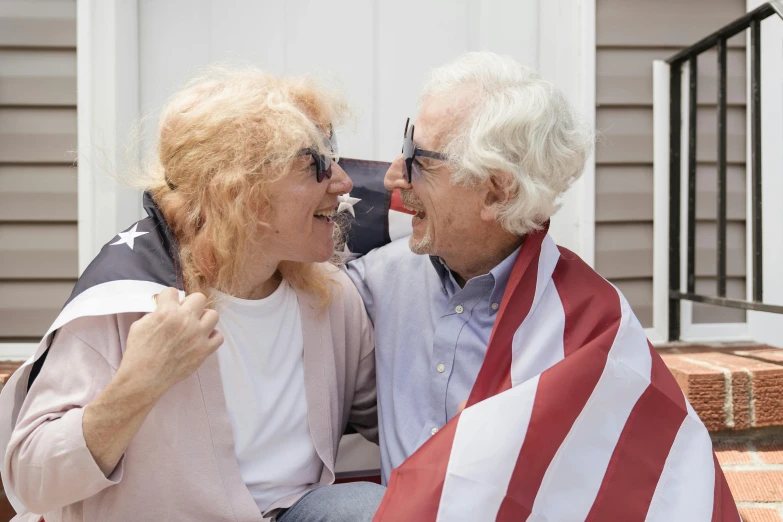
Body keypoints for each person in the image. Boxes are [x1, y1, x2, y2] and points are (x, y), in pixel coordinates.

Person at [346, 52, 739, 519]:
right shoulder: (375, 278)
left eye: (417, 159)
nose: (394, 176)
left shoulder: (591, 326)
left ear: (495, 191)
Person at [0, 67, 384, 522]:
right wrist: (138, 383)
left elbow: (390, 419)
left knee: (370, 511)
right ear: (241, 193)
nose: (343, 182)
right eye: (315, 164)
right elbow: (30, 479)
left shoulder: (331, 296)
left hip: (293, 512)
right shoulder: (124, 303)